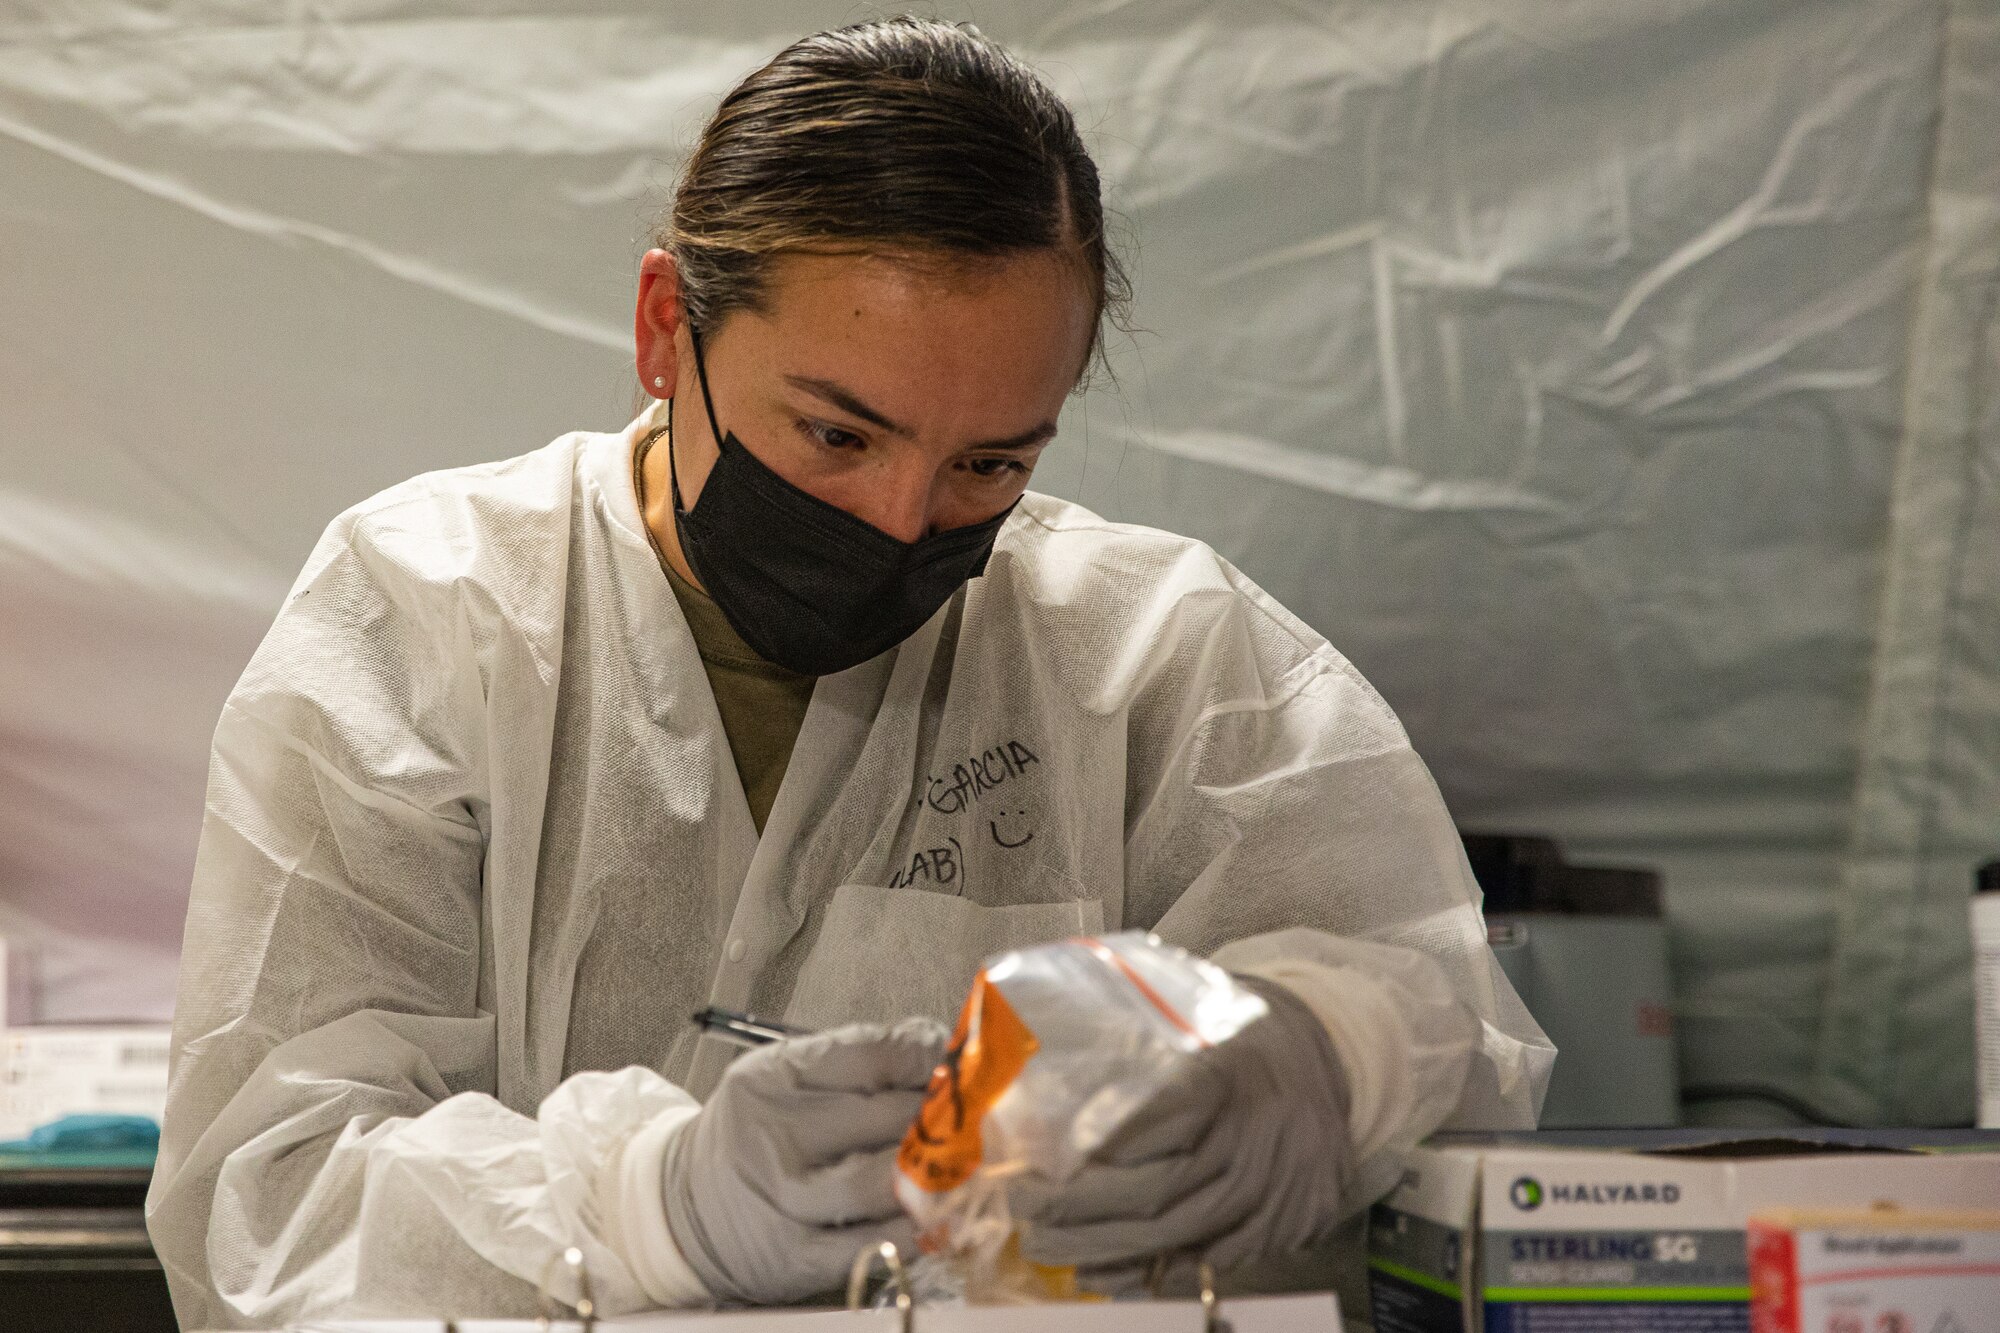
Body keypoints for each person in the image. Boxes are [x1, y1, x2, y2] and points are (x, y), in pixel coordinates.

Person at [145, 16, 1552, 1328]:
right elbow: (262, 1197)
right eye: (834, 434)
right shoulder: (427, 618)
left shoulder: (1148, 651)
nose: (898, 520)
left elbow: (1448, 1024)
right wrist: (649, 1206)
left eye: (990, 462)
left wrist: (1324, 1060)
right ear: (662, 332)